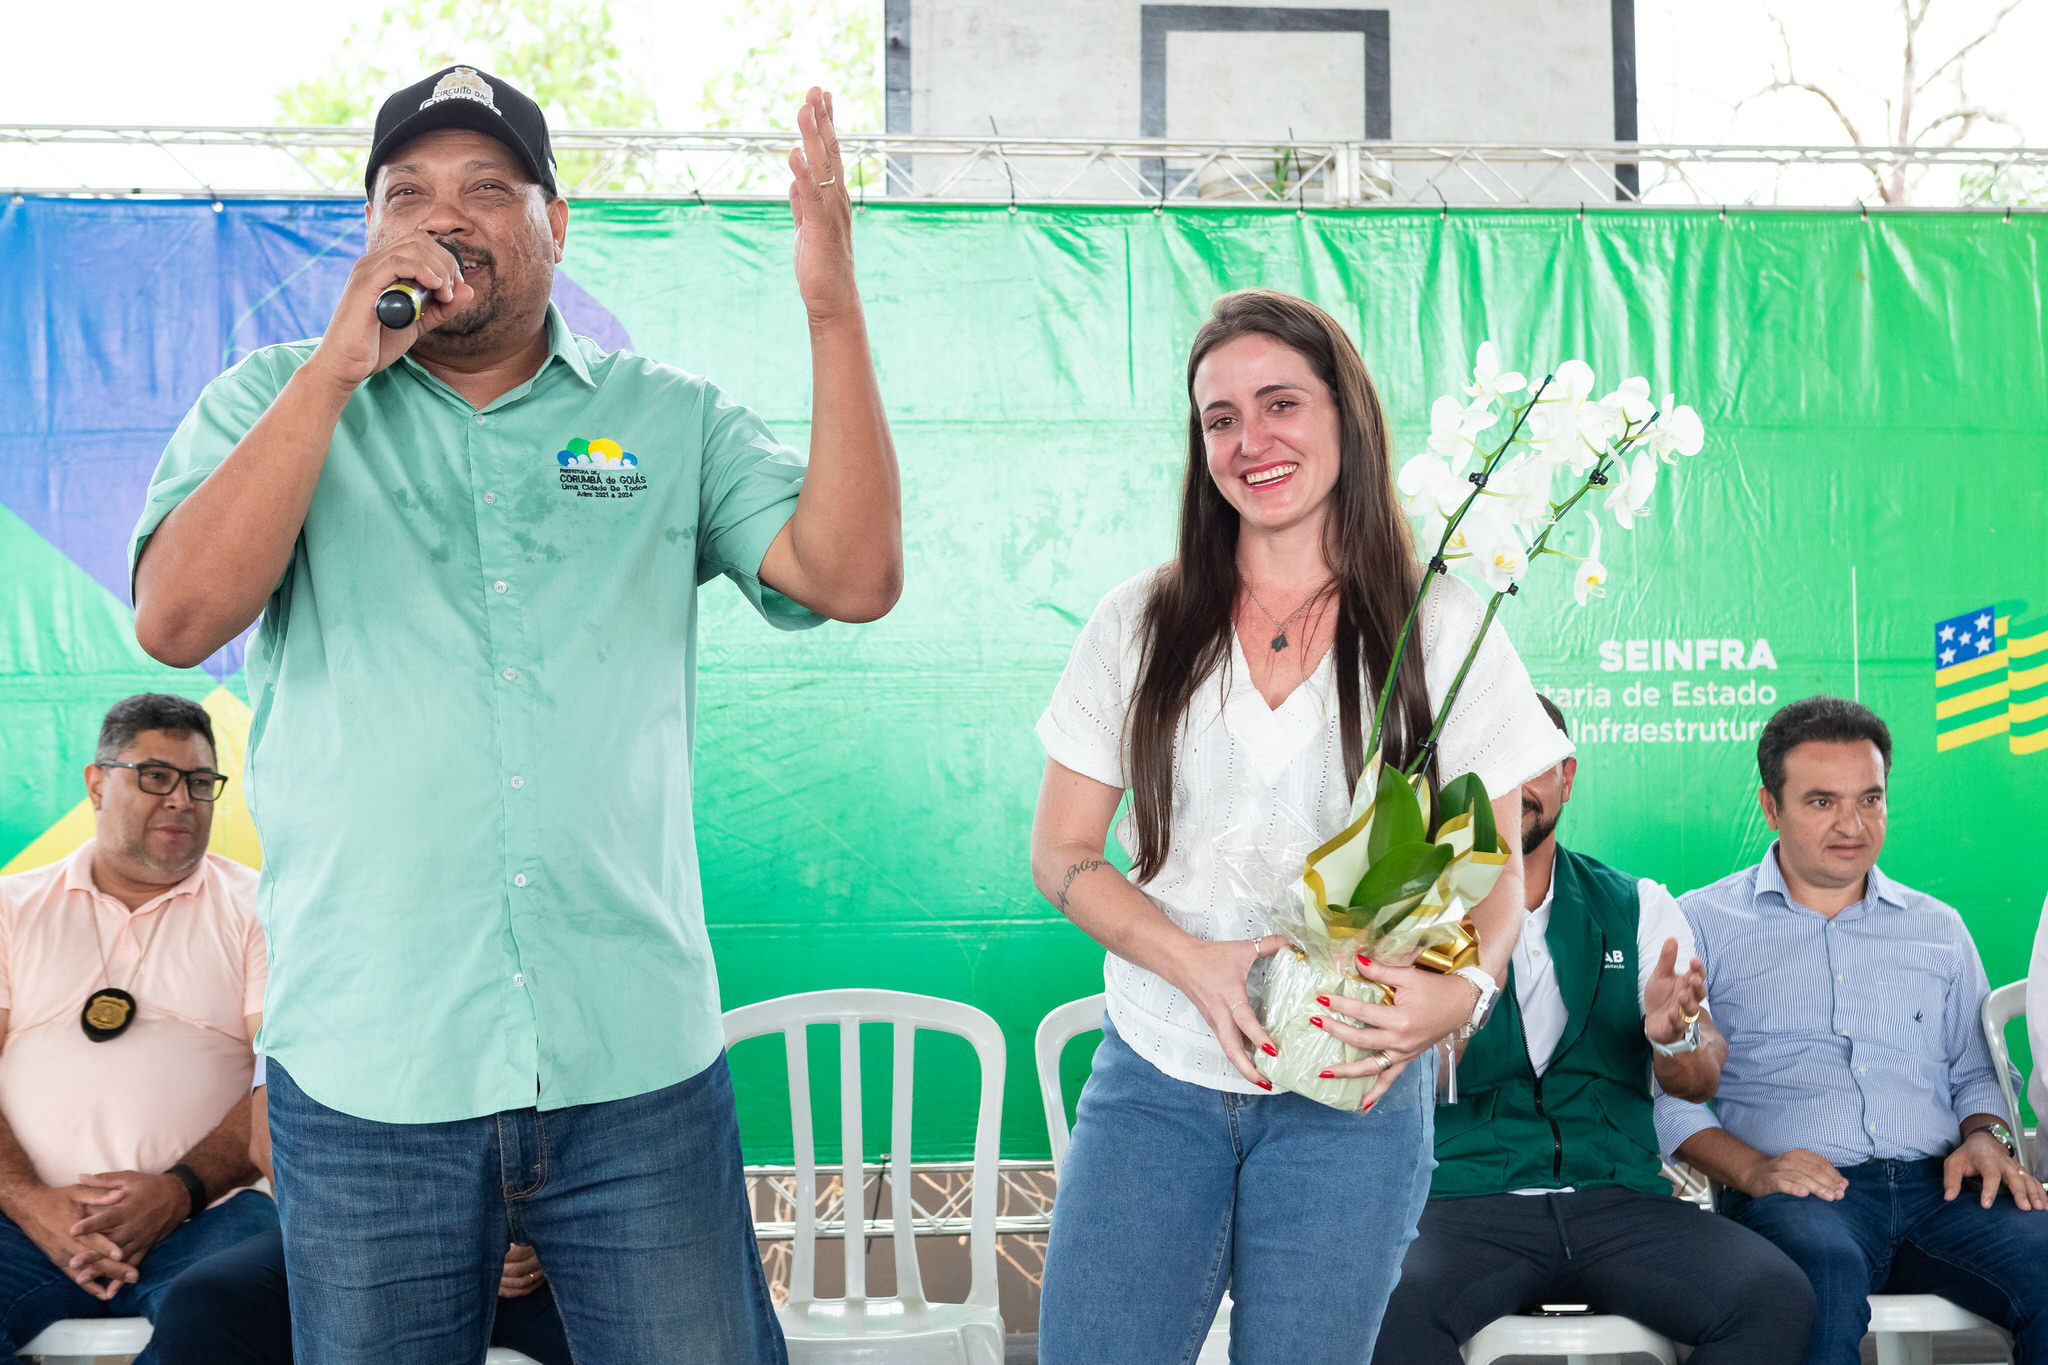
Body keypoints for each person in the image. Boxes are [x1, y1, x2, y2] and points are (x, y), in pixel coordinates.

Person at [129, 65, 900, 1365]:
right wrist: (336, 370)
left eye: (488, 187)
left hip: (632, 1069)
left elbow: (855, 576)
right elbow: (177, 619)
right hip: (371, 1075)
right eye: (408, 194)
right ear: (370, 233)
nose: (446, 216)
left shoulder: (668, 418)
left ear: (558, 221)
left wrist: (830, 305)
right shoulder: (274, 400)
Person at [1029, 289, 1570, 1364]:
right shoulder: (1138, 622)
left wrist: (1461, 990)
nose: (1250, 441)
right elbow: (1062, 854)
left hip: (1350, 1089)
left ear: (1344, 416)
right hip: (1155, 1079)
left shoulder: (1442, 624)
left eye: (1280, 403)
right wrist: (1194, 964)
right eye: (1220, 419)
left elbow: (1499, 873)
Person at [1374, 695, 1815, 1364]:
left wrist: (1673, 1032)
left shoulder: (1638, 905)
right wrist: (1458, 1002)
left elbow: (1698, 1078)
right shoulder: (1412, 913)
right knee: (1381, 1305)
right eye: (1488, 764)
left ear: (1567, 778)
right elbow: (1386, 1086)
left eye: (1530, 763)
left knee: (1774, 1296)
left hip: (1620, 1201)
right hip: (1462, 1199)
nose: (1511, 785)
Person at [1661, 696, 2048, 1365]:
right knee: (1817, 1289)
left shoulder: (1938, 927)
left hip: (1945, 1189)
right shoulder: (1701, 924)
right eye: (1822, 802)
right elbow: (1668, 1095)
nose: (1853, 824)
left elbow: (1977, 1070)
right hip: (1799, 1197)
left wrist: (1987, 1137)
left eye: (1870, 799)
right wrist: (1753, 1169)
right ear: (1770, 807)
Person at [0, 694, 274, 1362]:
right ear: (97, 784)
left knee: (233, 1308)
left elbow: (283, 1080)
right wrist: (29, 1199)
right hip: (21, 1219)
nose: (181, 799)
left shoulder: (261, 907)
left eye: (200, 782)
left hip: (212, 1216)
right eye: (155, 776)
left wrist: (180, 1189)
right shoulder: (12, 907)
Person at [150, 1055, 573, 1365]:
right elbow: (269, 1144)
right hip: (373, 1230)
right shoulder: (325, 996)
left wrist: (532, 1221)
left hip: (539, 1240)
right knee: (208, 1305)